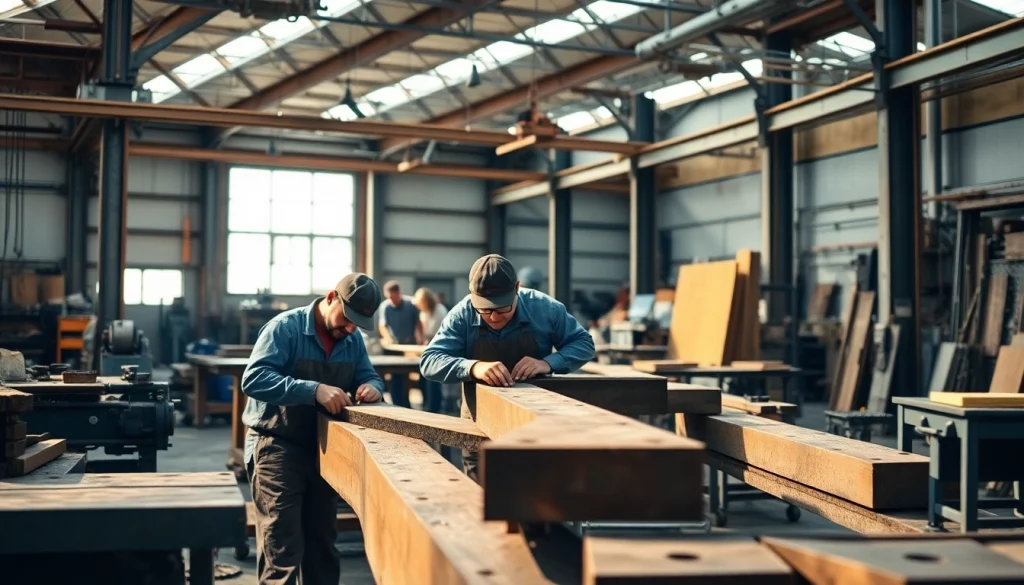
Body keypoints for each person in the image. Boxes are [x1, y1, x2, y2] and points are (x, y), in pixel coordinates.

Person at [241, 273, 385, 585]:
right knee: (283, 544)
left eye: (358, 324)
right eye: (347, 319)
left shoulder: (352, 340)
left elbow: (369, 375)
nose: (350, 328)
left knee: (321, 546)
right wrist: (313, 389)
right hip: (276, 445)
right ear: (332, 297)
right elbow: (253, 379)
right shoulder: (285, 328)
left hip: (324, 448)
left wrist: (371, 387)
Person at [419, 254, 596, 480]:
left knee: (535, 487)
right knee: (478, 493)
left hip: (535, 419)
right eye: (484, 309)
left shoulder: (545, 309)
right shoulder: (462, 314)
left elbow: (584, 343)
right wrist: (472, 367)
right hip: (478, 420)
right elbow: (430, 360)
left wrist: (547, 362)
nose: (493, 317)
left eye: (502, 309)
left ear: (517, 288)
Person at [377, 281, 422, 408]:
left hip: (409, 346)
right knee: (394, 376)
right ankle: (396, 403)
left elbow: (419, 323)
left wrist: (421, 338)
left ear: (399, 293)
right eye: (389, 297)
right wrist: (388, 338)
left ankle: (407, 404)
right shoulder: (385, 306)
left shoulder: (410, 304)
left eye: (394, 296)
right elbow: (382, 326)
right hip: (393, 347)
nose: (392, 299)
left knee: (407, 375)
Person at [412, 287, 448, 413]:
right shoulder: (424, 312)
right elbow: (423, 331)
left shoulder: (440, 310)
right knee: (423, 377)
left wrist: (427, 340)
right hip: (427, 349)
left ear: (427, 301)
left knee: (433, 378)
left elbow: (437, 332)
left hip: (440, 349)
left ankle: (434, 407)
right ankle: (427, 403)